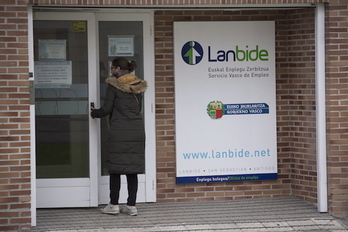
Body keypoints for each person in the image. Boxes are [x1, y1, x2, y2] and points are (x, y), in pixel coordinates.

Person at [91, 57, 147, 216]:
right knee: (132, 168)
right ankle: (131, 206)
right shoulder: (139, 86)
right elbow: (137, 109)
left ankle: (113, 204)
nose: (111, 71)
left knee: (115, 168)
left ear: (117, 69)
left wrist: (94, 113)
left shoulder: (113, 85)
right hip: (136, 130)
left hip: (119, 130)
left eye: (112, 68)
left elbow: (107, 109)